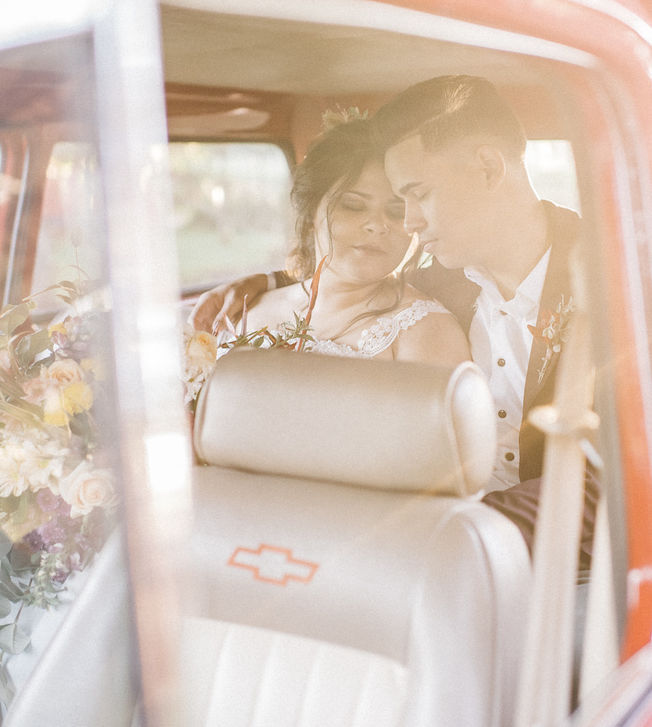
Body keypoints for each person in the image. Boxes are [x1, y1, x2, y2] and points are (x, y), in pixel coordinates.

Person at [191, 77, 597, 551]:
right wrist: (266, 283)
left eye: (417, 195)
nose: (407, 224)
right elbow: (344, 282)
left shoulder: (620, 289)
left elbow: (613, 482)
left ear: (488, 167)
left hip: (559, 568)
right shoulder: (442, 281)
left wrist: (432, 534)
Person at [233, 110, 470, 366]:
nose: (377, 226)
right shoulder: (247, 309)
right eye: (354, 206)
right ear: (311, 212)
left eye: (396, 211)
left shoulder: (427, 331)